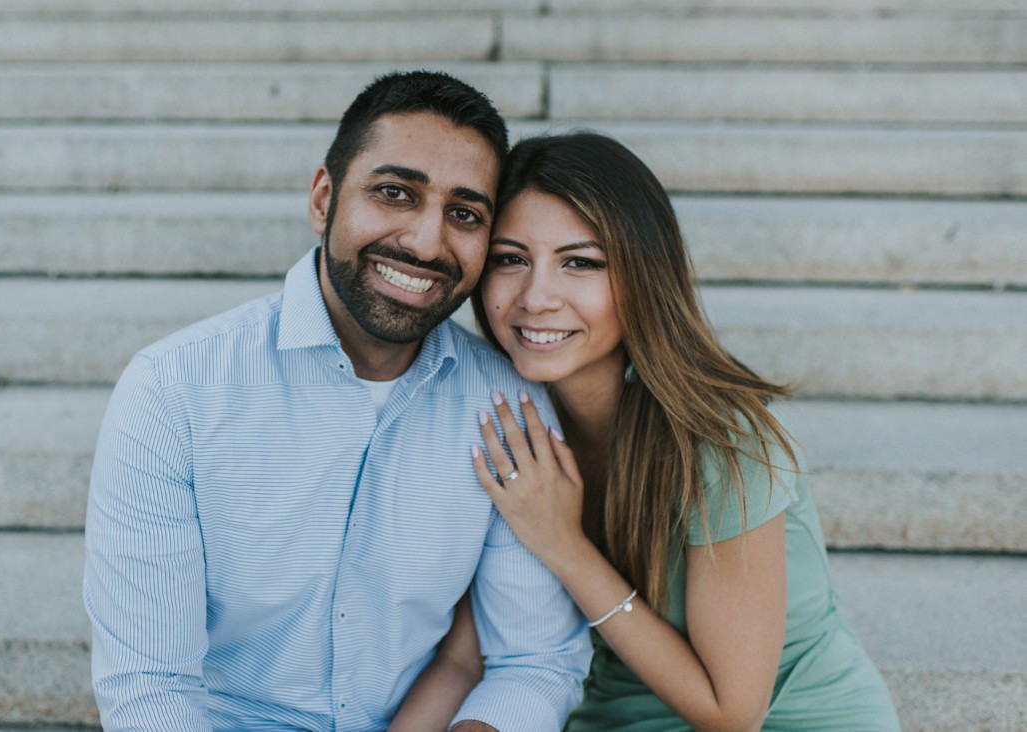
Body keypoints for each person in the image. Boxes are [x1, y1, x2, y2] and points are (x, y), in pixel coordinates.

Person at [82, 71, 592, 732]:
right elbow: (151, 684)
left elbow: (532, 661)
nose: (426, 242)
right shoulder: (174, 390)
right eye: (394, 193)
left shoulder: (506, 405)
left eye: (464, 214)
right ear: (324, 199)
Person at [400, 131, 902, 730]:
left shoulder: (720, 438)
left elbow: (733, 711)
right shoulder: (501, 419)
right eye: (511, 259)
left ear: (642, 275)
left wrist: (563, 543)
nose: (535, 297)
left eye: (580, 263)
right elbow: (466, 656)